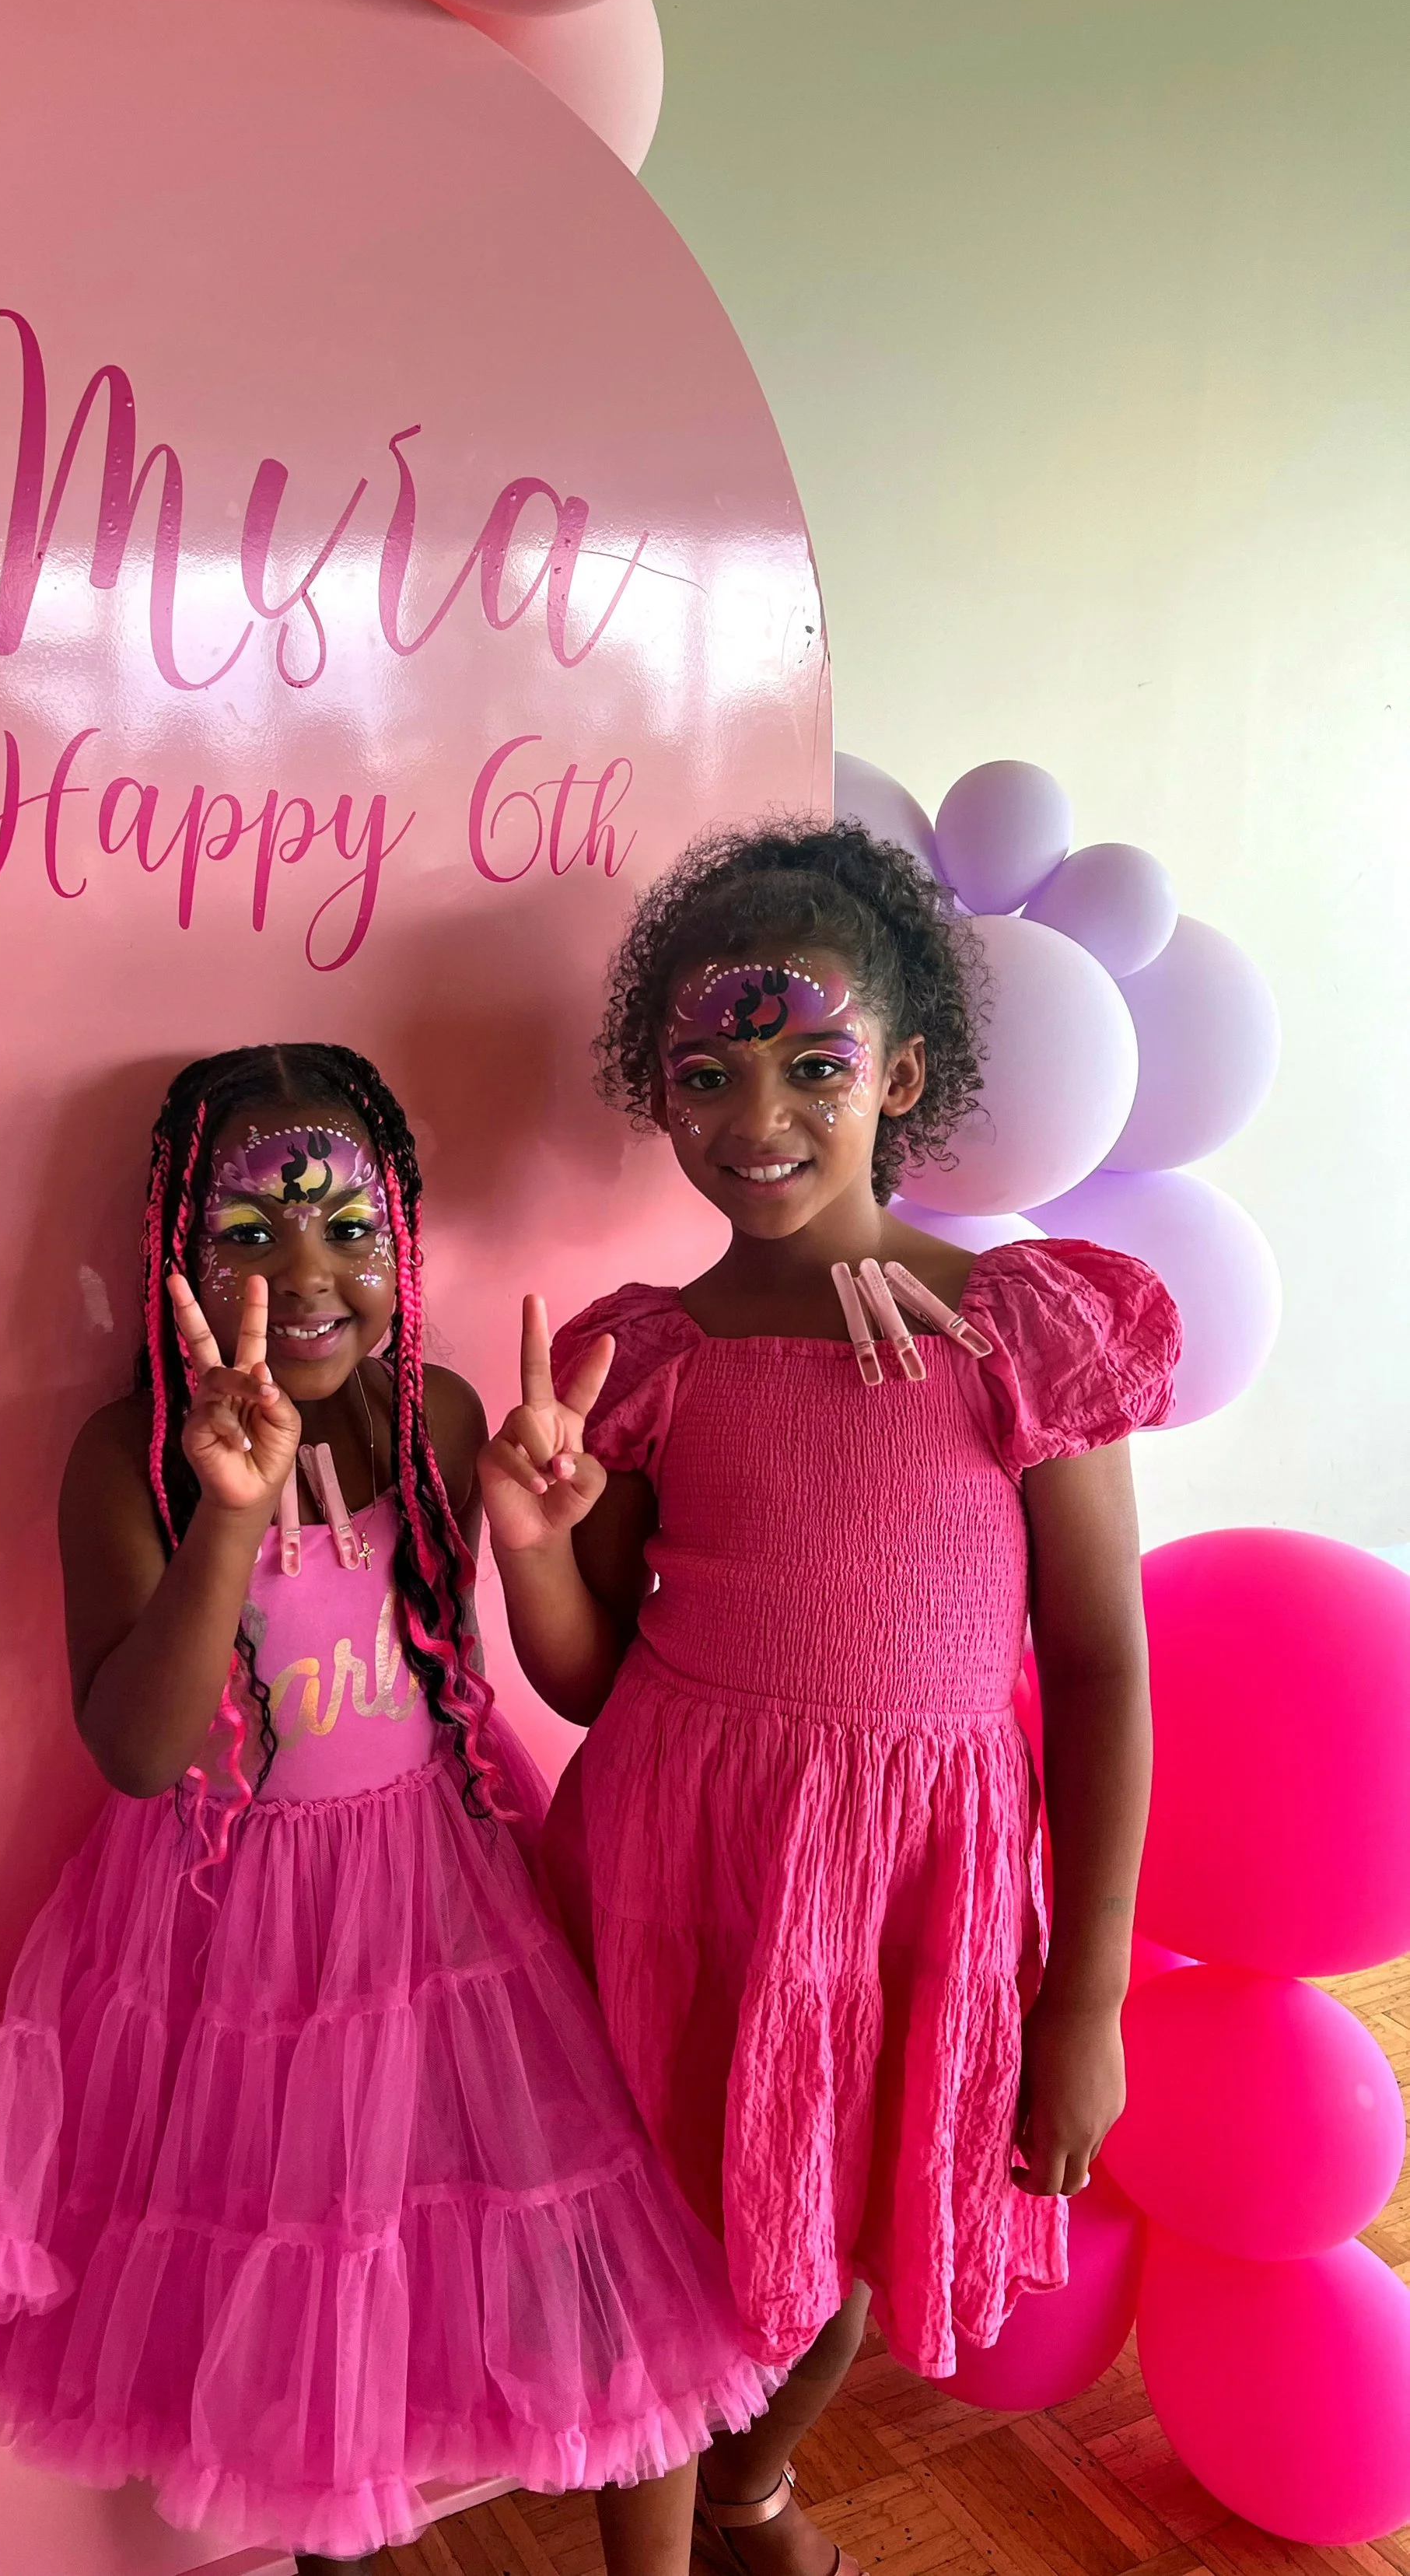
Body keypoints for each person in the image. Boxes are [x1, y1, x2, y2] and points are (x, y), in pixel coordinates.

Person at [0, 1041, 766, 2574]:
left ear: (402, 1239)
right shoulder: (126, 1461)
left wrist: (530, 1540)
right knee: (316, 2300)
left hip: (455, 1896)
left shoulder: (432, 1412)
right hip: (239, 1932)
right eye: (249, 1231)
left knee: (601, 2250)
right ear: (177, 1249)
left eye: (346, 1226)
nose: (303, 1273)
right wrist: (226, 1518)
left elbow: (564, 1682)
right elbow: (134, 1743)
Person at [481, 828, 1180, 2576]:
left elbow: (1097, 1664)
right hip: (673, 1869)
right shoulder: (644, 1355)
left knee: (841, 2236)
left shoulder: (1013, 1333)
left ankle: (752, 2483)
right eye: (704, 1073)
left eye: (811, 1061)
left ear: (906, 1073)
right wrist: (534, 1546)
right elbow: (582, 1678)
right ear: (659, 1091)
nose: (754, 1111)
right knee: (656, 2259)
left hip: (907, 1888)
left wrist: (1081, 1990)